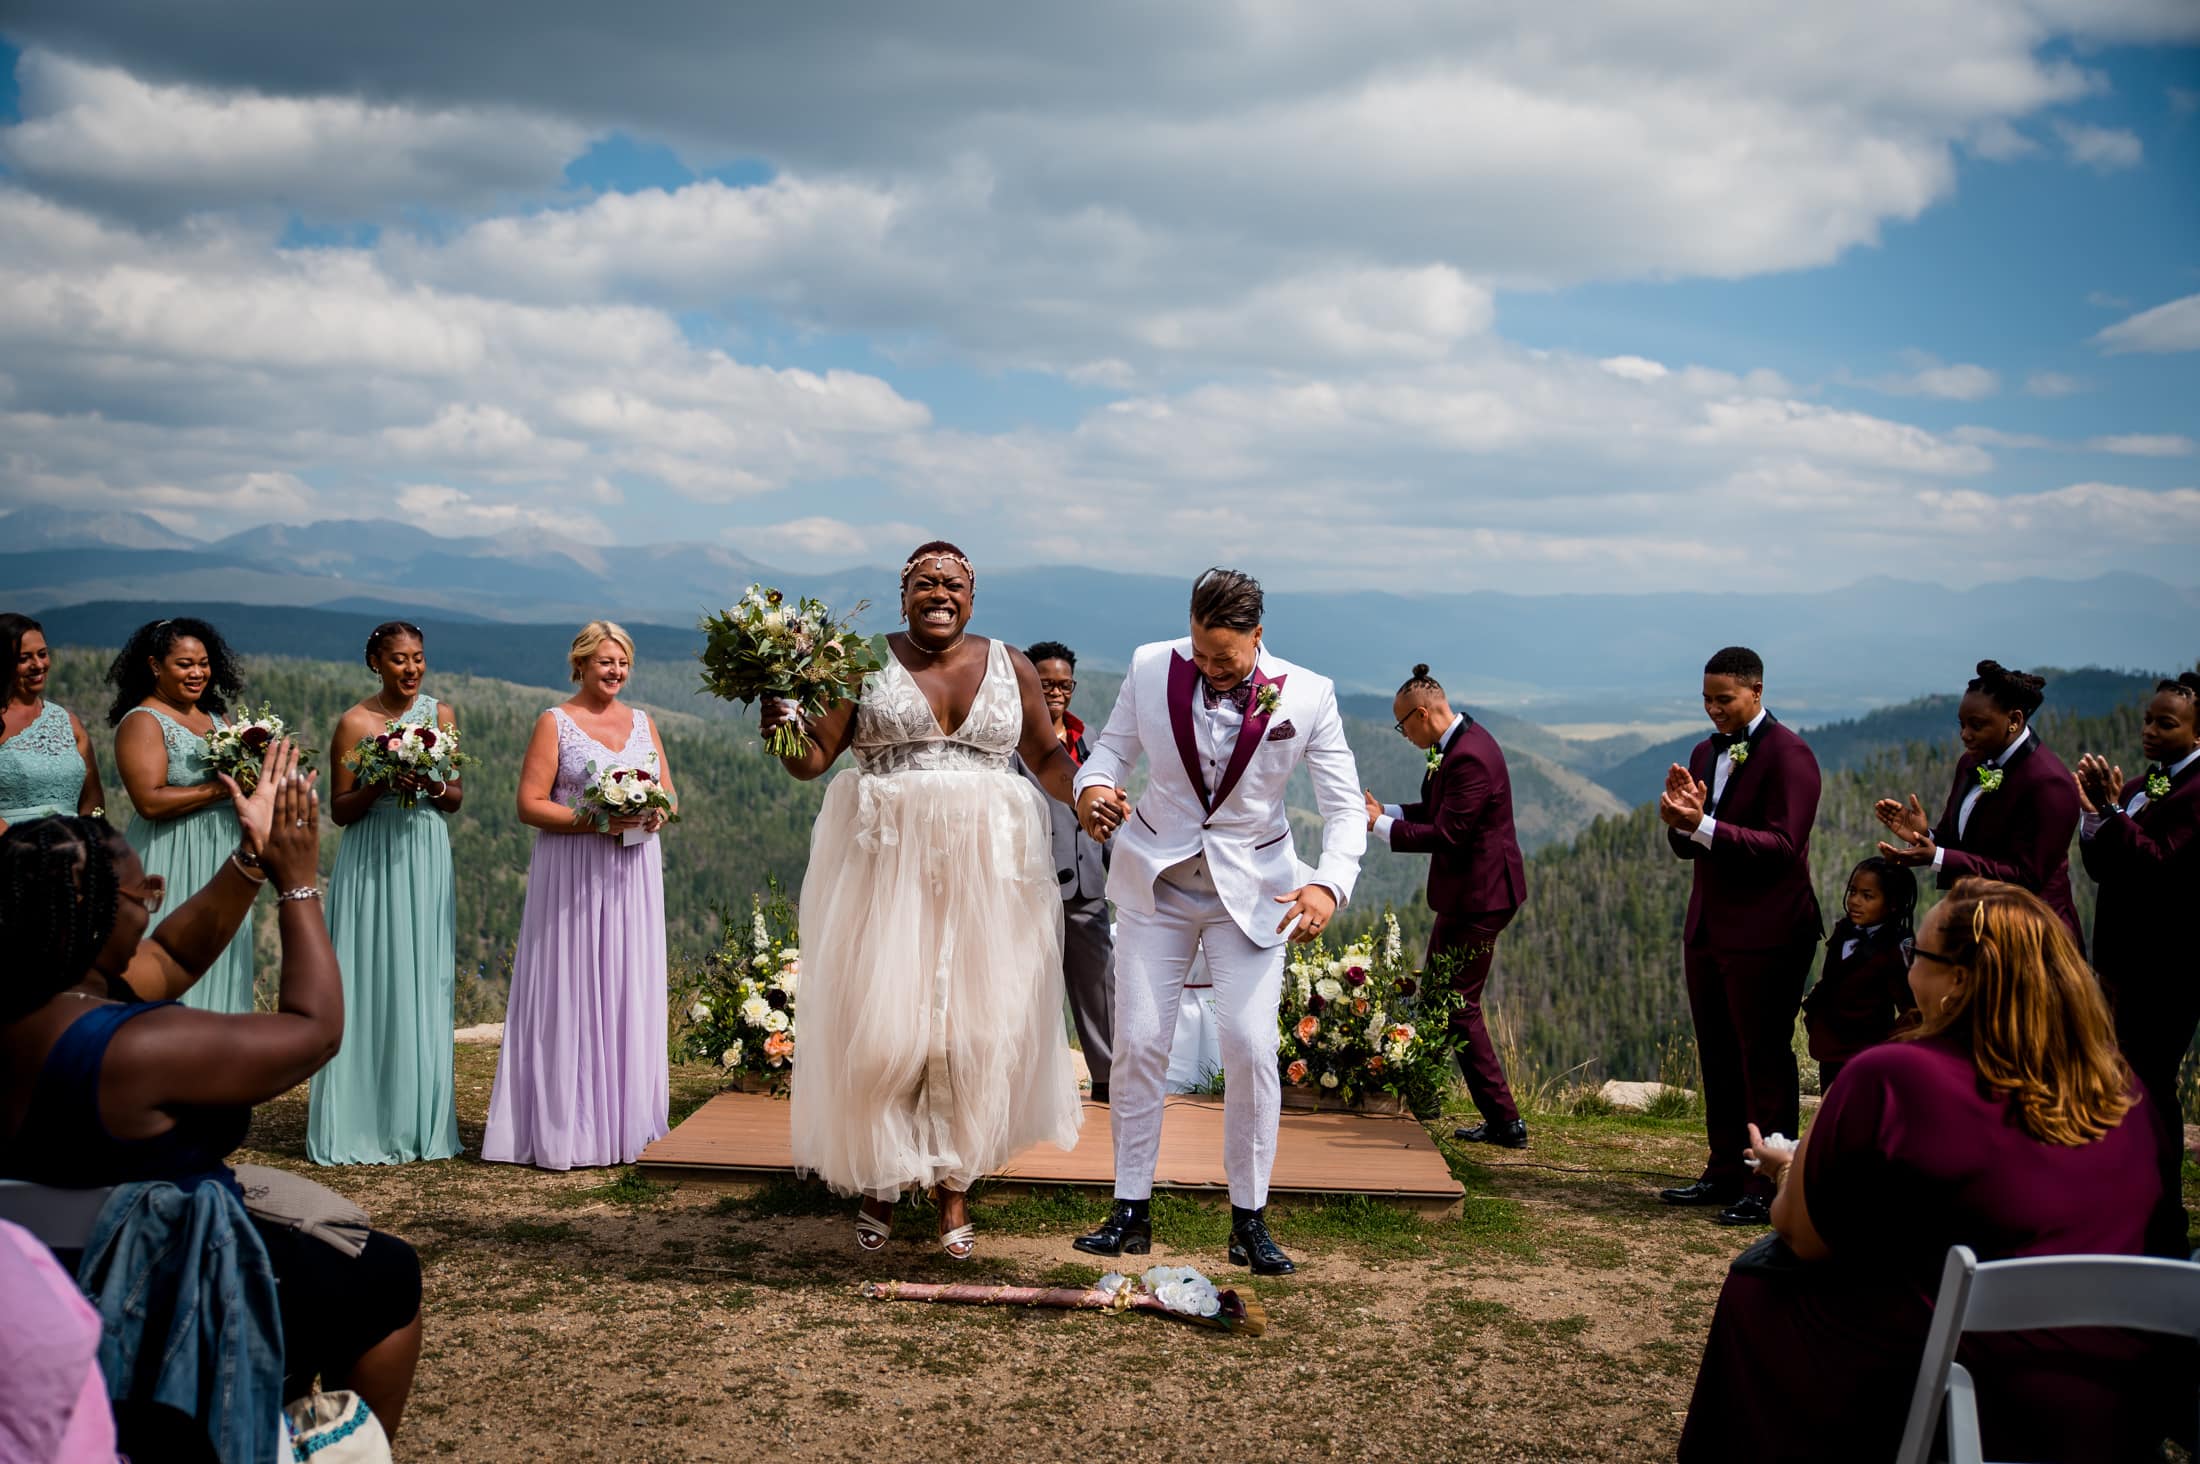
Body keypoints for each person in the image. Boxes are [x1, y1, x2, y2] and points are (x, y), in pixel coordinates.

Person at [1678, 880, 2182, 1464]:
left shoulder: (1893, 1078)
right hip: (2111, 1402)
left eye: (1917, 955)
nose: (1908, 966)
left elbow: (1802, 1235)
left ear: (1960, 982)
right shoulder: (2127, 1095)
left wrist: (1794, 1168)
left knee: (1755, 1286)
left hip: (1964, 1392)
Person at [0, 748, 424, 1440]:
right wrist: (297, 882)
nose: (153, 900)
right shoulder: (132, 1049)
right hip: (161, 1277)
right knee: (388, 1274)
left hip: (32, 1262)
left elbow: (172, 957)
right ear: (95, 913)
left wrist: (249, 860)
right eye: (145, 894)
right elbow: (314, 1033)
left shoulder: (35, 1009)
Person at [763, 545, 1084, 1260]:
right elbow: (811, 759)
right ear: (902, 592)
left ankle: (954, 1189)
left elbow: (1047, 756)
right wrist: (777, 718)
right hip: (887, 873)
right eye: (924, 582)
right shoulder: (860, 661)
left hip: (990, 882)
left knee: (974, 1031)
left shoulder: (1013, 665)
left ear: (974, 595)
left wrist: (1086, 793)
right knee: (888, 1032)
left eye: (953, 583)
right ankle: (881, 1179)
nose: (939, 593)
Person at [1071, 568, 1365, 1276]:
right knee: (1138, 1043)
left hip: (1255, 894)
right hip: (1158, 882)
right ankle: (1130, 1211)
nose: (1209, 668)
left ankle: (1249, 1221)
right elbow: (1109, 750)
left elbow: (1346, 806)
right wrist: (1093, 789)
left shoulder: (1309, 694)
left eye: (1224, 659)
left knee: (1249, 1047)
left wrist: (1328, 884)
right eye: (1200, 653)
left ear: (1259, 637)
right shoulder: (1149, 667)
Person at [485, 620, 675, 1171]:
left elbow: (669, 791)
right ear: (581, 665)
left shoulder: (643, 721)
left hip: (634, 870)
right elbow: (529, 804)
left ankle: (627, 1122)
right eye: (604, 663)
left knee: (625, 983)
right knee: (571, 984)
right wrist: (598, 821)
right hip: (572, 869)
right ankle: (565, 1126)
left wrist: (655, 811)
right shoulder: (555, 723)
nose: (615, 672)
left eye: (623, 664)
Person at [1656, 646, 1822, 1227]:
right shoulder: (1706, 751)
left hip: (1770, 931)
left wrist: (1703, 823)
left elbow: (1781, 848)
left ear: (1756, 690)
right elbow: (1695, 843)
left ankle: (1770, 1180)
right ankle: (1723, 1169)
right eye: (1706, 698)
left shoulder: (1791, 756)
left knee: (1764, 1059)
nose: (1712, 709)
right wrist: (1683, 820)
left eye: (1723, 699)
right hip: (1708, 927)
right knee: (1718, 1055)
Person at [308, 621, 464, 1166]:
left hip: (423, 848)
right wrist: (381, 780)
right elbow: (340, 809)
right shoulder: (354, 722)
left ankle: (417, 1117)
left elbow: (456, 797)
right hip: (372, 852)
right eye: (399, 660)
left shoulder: (440, 715)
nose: (412, 669)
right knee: (369, 974)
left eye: (418, 658)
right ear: (376, 662)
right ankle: (361, 1117)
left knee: (422, 975)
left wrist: (428, 783)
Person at [1362, 663, 1528, 1147]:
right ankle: (1427, 1096)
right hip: (1465, 896)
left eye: (1402, 725)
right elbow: (1438, 812)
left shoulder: (1469, 757)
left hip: (1482, 898)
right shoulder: (1454, 746)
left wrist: (1377, 829)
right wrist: (1384, 813)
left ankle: (1505, 1120)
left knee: (1457, 1005)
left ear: (1420, 713)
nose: (1403, 735)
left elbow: (1450, 834)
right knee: (1437, 997)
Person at [2076, 666, 2200, 1257]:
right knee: (2120, 1085)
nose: (2150, 730)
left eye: (2166, 723)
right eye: (2148, 719)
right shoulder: (2140, 788)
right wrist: (2094, 814)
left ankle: (2162, 1222)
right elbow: (2106, 868)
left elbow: (2159, 868)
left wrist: (2116, 815)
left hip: (2168, 971)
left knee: (2150, 1088)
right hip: (2120, 964)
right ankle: (2124, 1205)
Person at [1875, 659, 2083, 947]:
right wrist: (1925, 836)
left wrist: (1938, 857)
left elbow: (2027, 877)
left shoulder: (2050, 784)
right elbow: (1961, 842)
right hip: (1979, 929)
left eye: (1977, 725)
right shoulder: (1970, 763)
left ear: (2015, 720)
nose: (1965, 735)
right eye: (1962, 724)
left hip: (2033, 938)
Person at [106, 617, 257, 1014]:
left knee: (221, 953)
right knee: (173, 957)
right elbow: (149, 801)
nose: (198, 673)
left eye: (204, 663)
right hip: (173, 854)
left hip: (223, 853)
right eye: (185, 664)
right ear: (156, 666)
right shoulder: (142, 721)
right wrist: (223, 787)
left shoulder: (217, 719)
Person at [1012, 639, 1115, 1105]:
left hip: (1087, 887)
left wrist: (1118, 868)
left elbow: (1106, 807)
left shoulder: (1090, 739)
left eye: (1063, 684)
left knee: (1099, 987)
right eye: (1045, 683)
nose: (1055, 692)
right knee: (1028, 990)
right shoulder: (1012, 742)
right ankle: (1029, 1089)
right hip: (1029, 887)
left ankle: (1109, 1080)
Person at [1800, 855, 1917, 1094]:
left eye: (1868, 896)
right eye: (1852, 891)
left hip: (1866, 1050)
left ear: (1892, 903)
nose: (1855, 901)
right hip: (1830, 1046)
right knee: (1831, 1101)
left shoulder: (1894, 951)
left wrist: (1892, 1044)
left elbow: (1908, 1005)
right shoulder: (1843, 932)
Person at [0, 613, 107, 833]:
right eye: (24, 658)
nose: (38, 665)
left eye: (42, 654)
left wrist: (88, 843)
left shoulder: (69, 723)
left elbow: (93, 802)